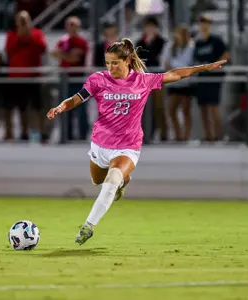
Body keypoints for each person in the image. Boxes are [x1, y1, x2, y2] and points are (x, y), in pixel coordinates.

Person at [47, 38, 226, 245]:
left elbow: (175, 74)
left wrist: (203, 67)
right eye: (107, 63)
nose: (110, 67)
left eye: (115, 63)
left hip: (127, 146)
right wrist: (61, 107)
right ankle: (125, 180)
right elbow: (77, 98)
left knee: (112, 180)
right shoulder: (98, 80)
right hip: (100, 144)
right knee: (97, 181)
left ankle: (88, 226)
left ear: (128, 61)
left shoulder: (142, 81)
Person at [5, 10, 47, 141]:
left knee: (38, 107)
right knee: (20, 107)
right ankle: (23, 133)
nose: (23, 23)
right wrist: (19, 37)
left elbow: (42, 48)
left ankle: (42, 133)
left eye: (25, 20)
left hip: (34, 77)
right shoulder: (11, 35)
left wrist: (29, 35)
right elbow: (9, 50)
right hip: (16, 78)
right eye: (20, 21)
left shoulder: (37, 34)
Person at [193, 14, 229, 142]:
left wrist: (215, 66)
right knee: (203, 108)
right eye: (202, 23)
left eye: (207, 23)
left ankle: (219, 135)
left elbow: (225, 54)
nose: (204, 25)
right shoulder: (198, 42)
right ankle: (208, 136)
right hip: (202, 77)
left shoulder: (216, 40)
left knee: (213, 107)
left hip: (214, 77)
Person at [162, 24, 195, 141]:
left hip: (186, 83)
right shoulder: (169, 47)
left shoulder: (191, 48)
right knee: (171, 111)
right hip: (173, 83)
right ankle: (178, 135)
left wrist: (173, 65)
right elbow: (164, 62)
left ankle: (186, 136)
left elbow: (187, 66)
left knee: (186, 111)